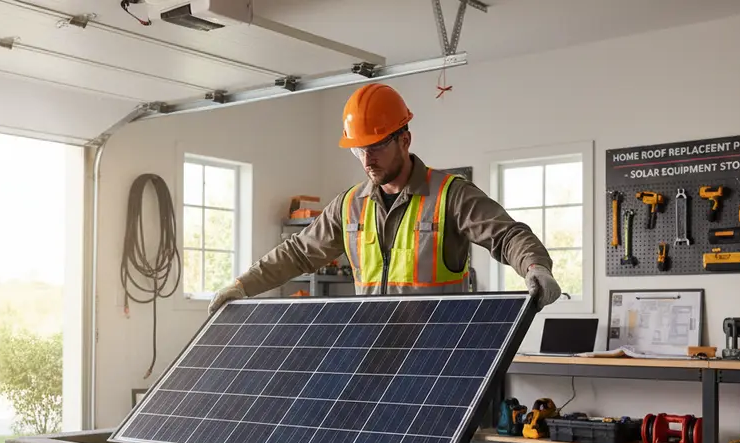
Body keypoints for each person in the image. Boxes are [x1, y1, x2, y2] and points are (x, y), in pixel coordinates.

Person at [209, 82, 561, 314]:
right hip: (373, 349)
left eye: (376, 147)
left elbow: (507, 235)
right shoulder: (349, 205)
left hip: (438, 354)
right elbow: (298, 253)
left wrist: (535, 267)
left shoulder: (450, 195)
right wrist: (242, 285)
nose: (367, 160)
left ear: (404, 141)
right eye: (359, 150)